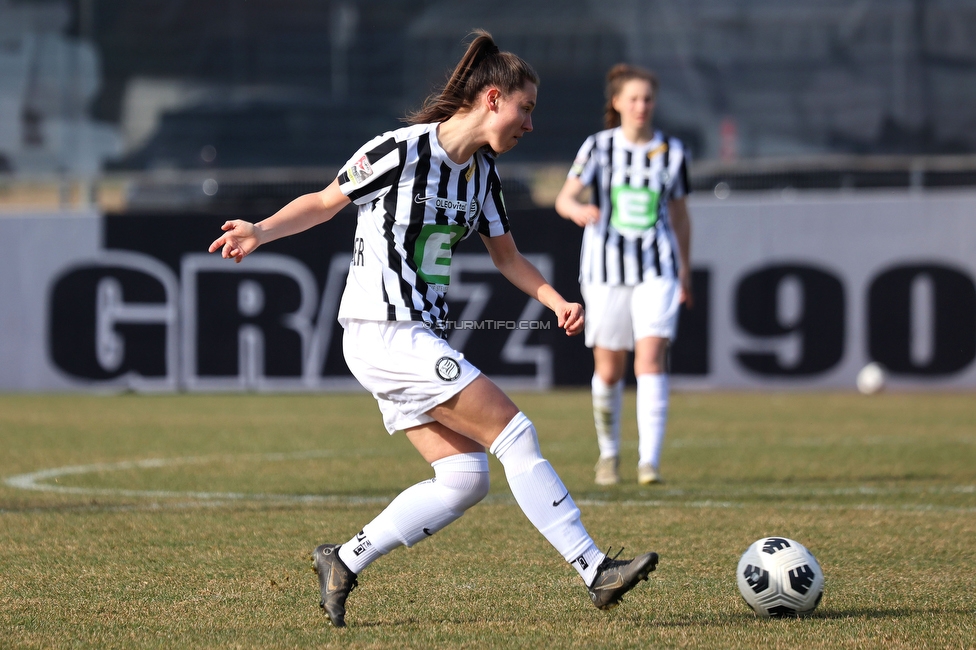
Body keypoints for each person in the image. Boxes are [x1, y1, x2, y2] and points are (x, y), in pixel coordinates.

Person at [209, 31, 657, 628]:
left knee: (464, 478)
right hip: (383, 329)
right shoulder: (400, 150)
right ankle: (593, 568)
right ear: (492, 99)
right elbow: (324, 202)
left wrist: (553, 298)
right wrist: (259, 231)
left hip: (414, 337)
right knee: (514, 432)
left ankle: (343, 558)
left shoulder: (482, 178)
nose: (530, 123)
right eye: (525, 108)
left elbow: (507, 257)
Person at [554, 64, 693, 487]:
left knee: (650, 359)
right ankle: (609, 455)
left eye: (647, 99)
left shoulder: (672, 152)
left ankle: (648, 462)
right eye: (632, 98)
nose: (641, 106)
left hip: (657, 270)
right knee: (610, 369)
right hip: (605, 271)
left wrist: (685, 271)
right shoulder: (598, 147)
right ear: (616, 102)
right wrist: (577, 209)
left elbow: (681, 217)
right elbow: (565, 198)